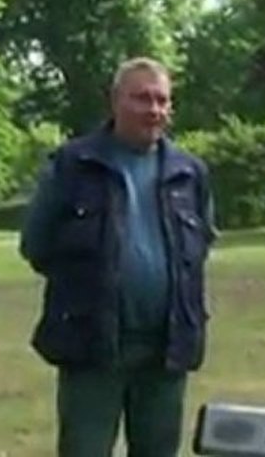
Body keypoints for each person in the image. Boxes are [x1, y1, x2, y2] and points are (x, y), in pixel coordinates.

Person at [21, 57, 215, 457]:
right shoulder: (74, 164)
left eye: (162, 100)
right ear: (115, 102)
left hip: (166, 347)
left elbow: (200, 248)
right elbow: (36, 244)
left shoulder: (189, 172)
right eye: (142, 99)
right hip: (93, 344)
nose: (154, 110)